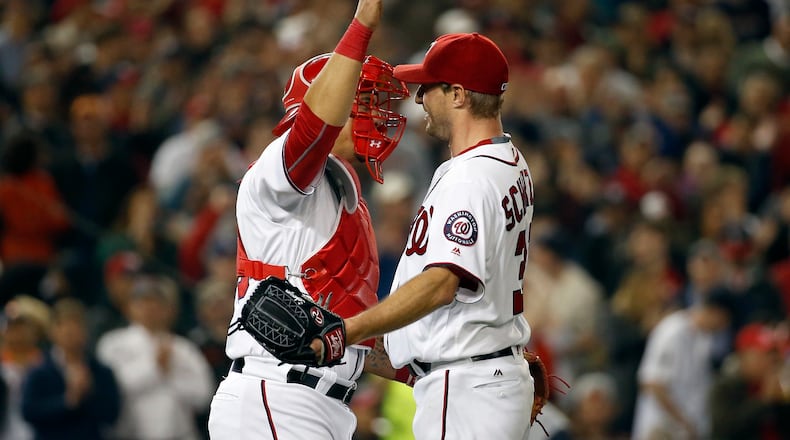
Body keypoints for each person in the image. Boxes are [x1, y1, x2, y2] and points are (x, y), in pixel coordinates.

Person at [207, 0, 412, 438]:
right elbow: (314, 128)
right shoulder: (275, 172)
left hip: (318, 403)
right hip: (275, 395)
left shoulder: (341, 191)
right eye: (362, 98)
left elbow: (349, 331)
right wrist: (361, 26)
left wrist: (462, 369)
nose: (374, 113)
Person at [331, 32, 535, 439]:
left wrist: (347, 332)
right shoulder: (509, 160)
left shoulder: (471, 177)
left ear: (458, 94)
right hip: (483, 374)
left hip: (466, 389)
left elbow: (441, 284)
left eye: (428, 87)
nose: (419, 96)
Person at [96, 276, 214, 440]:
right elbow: (114, 388)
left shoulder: (183, 347)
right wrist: (155, 366)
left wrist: (170, 376)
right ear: (129, 307)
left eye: (156, 303)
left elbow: (204, 394)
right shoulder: (114, 343)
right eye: (142, 303)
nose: (150, 309)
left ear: (168, 309)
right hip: (133, 434)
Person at [20, 298, 121, 440]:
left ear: (86, 331)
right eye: (64, 325)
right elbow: (29, 412)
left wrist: (88, 393)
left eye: (77, 324)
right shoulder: (38, 371)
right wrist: (67, 401)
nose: (70, 331)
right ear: (52, 331)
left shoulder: (101, 371)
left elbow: (111, 415)